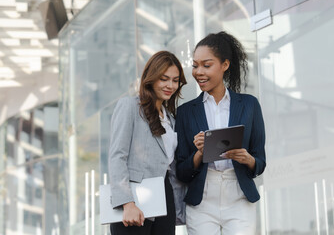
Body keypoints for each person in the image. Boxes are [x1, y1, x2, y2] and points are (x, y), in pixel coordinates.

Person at [175, 31, 266, 235]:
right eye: (195, 65)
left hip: (239, 195)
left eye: (207, 65)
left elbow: (260, 162)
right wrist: (199, 153)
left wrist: (248, 159)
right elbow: (181, 171)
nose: (199, 72)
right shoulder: (185, 112)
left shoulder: (249, 105)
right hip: (202, 198)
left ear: (225, 65)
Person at [109, 51, 187, 235]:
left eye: (175, 80)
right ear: (151, 78)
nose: (170, 85)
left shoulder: (171, 120)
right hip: (134, 200)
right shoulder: (130, 106)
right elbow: (117, 156)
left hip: (165, 197)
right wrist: (127, 203)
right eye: (164, 79)